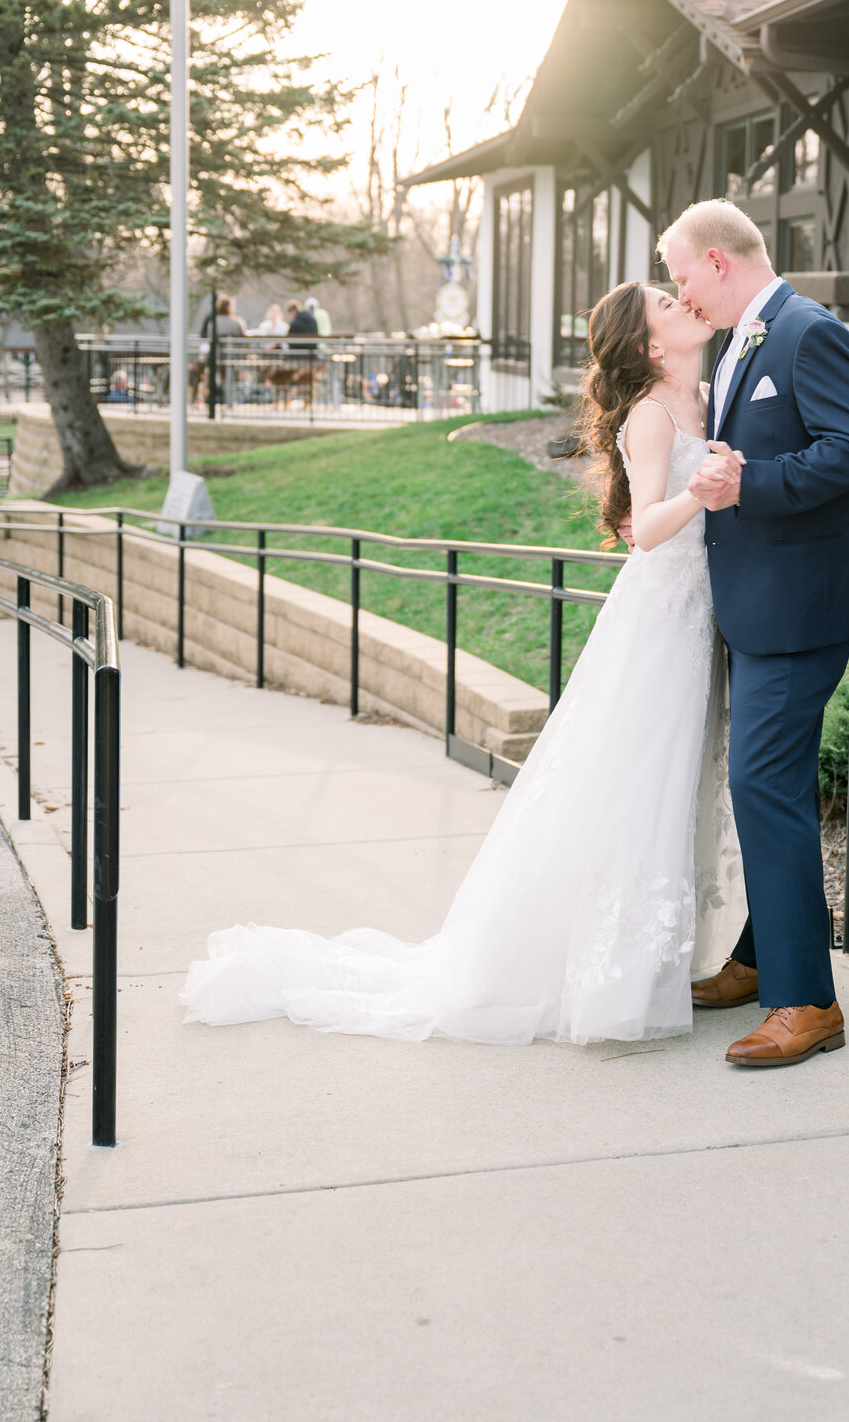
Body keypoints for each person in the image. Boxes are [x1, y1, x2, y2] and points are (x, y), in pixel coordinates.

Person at [180, 280, 746, 1044]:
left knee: (670, 780)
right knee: (640, 776)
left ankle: (664, 956)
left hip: (698, 614)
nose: (684, 303)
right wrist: (704, 493)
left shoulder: (713, 393)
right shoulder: (650, 416)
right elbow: (645, 526)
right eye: (667, 305)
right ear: (650, 346)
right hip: (661, 617)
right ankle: (613, 973)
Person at [658, 199, 849, 1068]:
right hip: (758, 604)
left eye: (681, 276)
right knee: (761, 787)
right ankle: (758, 962)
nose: (680, 295)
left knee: (763, 785)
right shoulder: (751, 332)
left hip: (800, 610)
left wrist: (746, 484)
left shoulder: (806, 331)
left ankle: (806, 1001)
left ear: (717, 261)